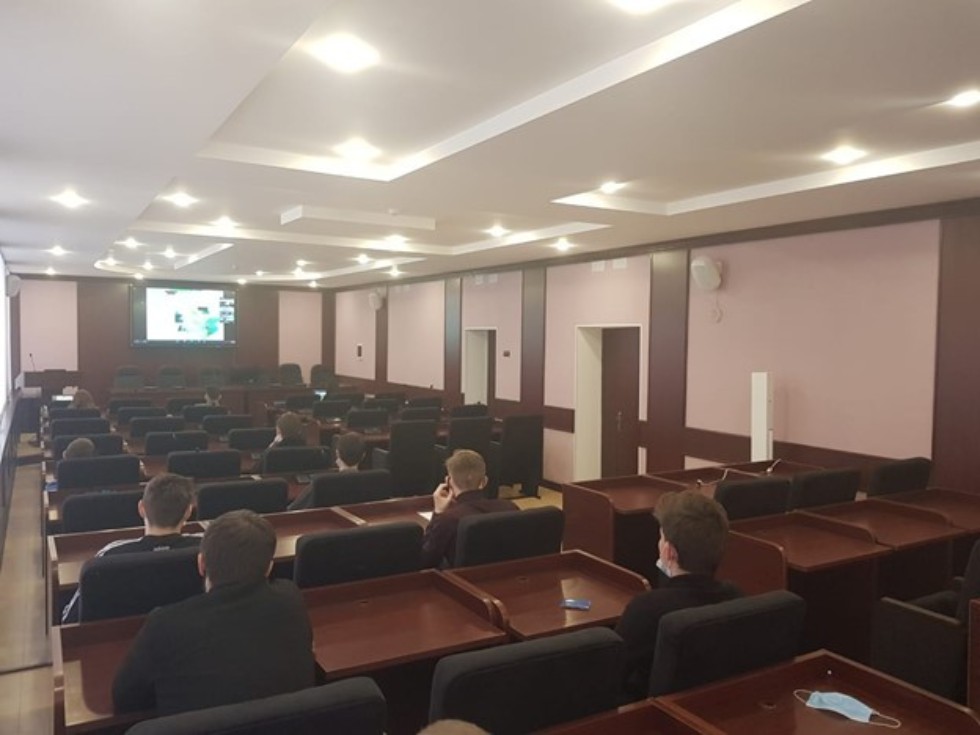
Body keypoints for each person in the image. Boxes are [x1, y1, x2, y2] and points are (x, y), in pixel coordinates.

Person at [112, 509, 315, 716]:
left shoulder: (163, 624)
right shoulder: (291, 598)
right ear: (269, 568)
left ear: (201, 564)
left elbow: (125, 698)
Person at [614, 491, 740, 701]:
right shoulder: (735, 597)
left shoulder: (646, 610)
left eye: (661, 537)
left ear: (669, 552)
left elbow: (610, 673)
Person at [61, 473, 200, 623]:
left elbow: (68, 619)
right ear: (188, 512)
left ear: (141, 508)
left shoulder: (109, 555)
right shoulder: (206, 548)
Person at [420, 449, 517, 568]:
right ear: (484, 481)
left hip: (460, 577)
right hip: (506, 573)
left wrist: (438, 513)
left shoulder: (448, 519)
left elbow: (426, 560)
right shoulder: (510, 508)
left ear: (448, 481)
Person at [287, 431, 366, 510]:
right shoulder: (368, 483)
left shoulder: (320, 483)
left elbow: (292, 509)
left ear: (337, 453)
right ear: (363, 456)